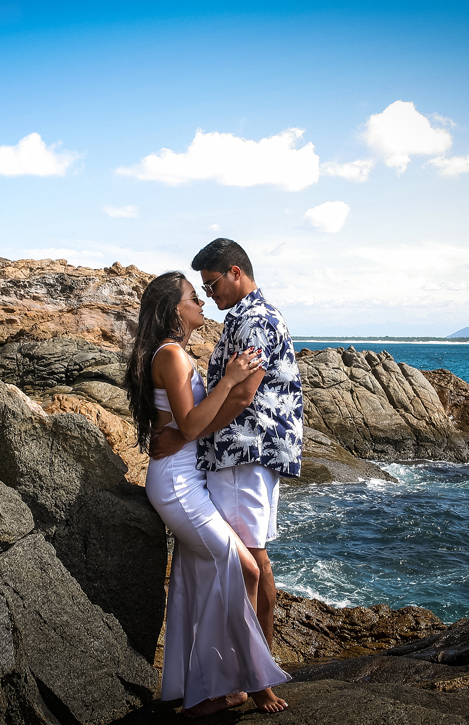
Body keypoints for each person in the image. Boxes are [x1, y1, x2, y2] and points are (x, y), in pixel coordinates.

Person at [126, 271, 292, 717]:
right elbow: (194, 425)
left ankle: (212, 688)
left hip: (188, 480)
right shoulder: (172, 357)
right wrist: (230, 377)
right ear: (174, 309)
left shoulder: (174, 353)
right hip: (178, 486)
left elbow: (186, 425)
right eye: (191, 296)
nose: (200, 301)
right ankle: (250, 682)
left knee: (198, 580)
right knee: (247, 572)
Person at [151, 239, 303, 653]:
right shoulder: (255, 315)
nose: (209, 294)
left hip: (243, 453)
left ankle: (255, 668)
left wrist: (183, 434)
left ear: (236, 272)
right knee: (255, 560)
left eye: (213, 283)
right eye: (201, 288)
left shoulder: (253, 320)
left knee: (250, 562)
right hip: (249, 453)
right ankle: (262, 664)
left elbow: (242, 395)